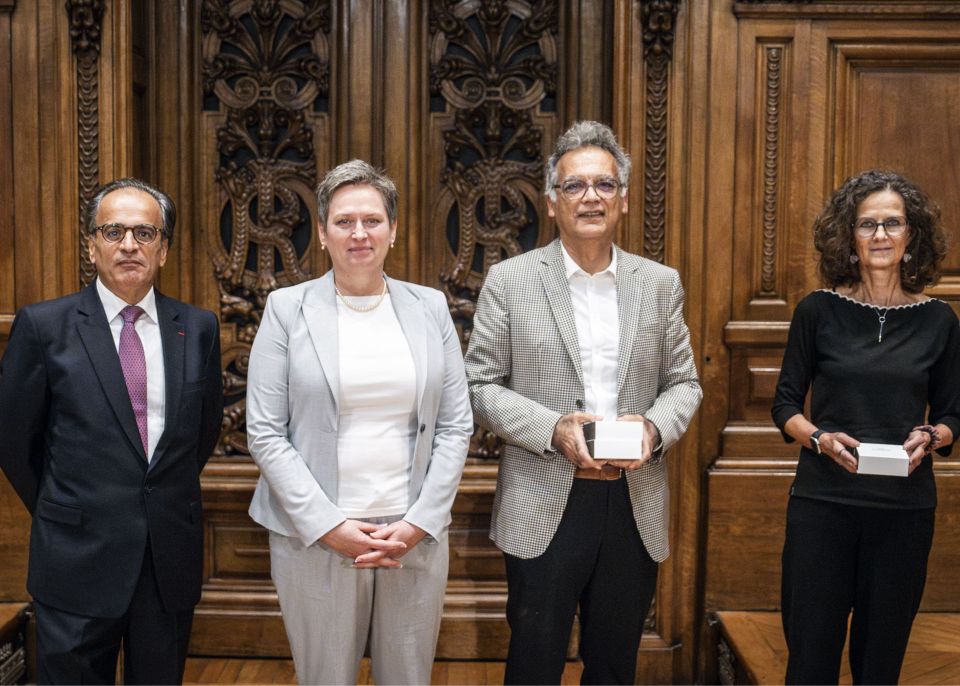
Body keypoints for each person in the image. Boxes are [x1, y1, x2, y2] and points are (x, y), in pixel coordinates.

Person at [464, 121, 702, 684]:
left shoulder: (660, 283)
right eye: (575, 186)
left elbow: (685, 383)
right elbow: (479, 385)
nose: (590, 196)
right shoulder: (510, 279)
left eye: (604, 184)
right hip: (543, 499)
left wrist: (653, 429)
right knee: (534, 663)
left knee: (615, 665)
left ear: (622, 198)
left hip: (632, 501)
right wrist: (554, 429)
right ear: (552, 202)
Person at [246, 159, 472, 685]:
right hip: (316, 537)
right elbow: (264, 431)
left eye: (372, 220)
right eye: (344, 221)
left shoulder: (431, 308)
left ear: (393, 231)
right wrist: (329, 526)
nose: (359, 233)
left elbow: (455, 426)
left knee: (408, 678)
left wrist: (420, 521)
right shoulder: (286, 309)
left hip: (411, 536)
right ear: (322, 234)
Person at [0, 178, 224, 684]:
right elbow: (15, 443)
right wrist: (67, 507)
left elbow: (200, 434)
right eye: (113, 231)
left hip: (165, 561)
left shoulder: (199, 327)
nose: (129, 245)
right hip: (76, 558)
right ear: (91, 245)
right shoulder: (44, 326)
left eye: (144, 233)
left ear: (163, 249)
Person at [772, 169, 960, 684]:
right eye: (867, 224)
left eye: (892, 223)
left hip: (903, 512)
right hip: (822, 506)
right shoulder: (817, 310)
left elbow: (952, 414)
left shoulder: (939, 320)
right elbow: (784, 405)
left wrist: (931, 436)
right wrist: (819, 439)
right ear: (849, 238)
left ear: (911, 236)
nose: (880, 235)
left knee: (880, 668)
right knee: (810, 662)